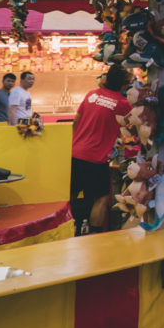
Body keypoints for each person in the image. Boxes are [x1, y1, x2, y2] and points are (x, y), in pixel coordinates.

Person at [70, 64, 131, 234]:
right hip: (96, 158)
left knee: (71, 195)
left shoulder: (92, 95)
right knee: (101, 198)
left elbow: (75, 122)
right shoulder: (122, 104)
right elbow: (132, 126)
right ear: (124, 85)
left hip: (75, 154)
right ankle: (95, 235)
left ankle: (67, 229)